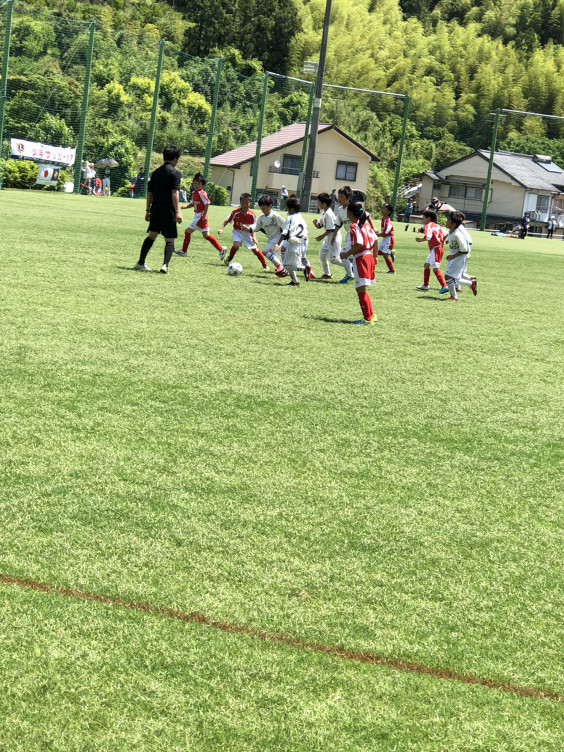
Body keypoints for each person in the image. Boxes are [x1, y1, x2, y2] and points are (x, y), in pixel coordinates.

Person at [134, 144, 182, 274]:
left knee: (152, 235)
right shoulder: (175, 173)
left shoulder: (155, 173)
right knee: (170, 239)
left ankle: (140, 262)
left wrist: (147, 211)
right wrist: (178, 211)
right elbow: (174, 193)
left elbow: (149, 193)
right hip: (168, 210)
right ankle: (165, 265)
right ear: (176, 158)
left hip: (155, 209)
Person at [340, 201, 377, 325]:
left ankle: (367, 319)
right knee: (363, 288)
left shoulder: (354, 226)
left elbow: (359, 243)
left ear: (349, 212)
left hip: (361, 258)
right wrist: (375, 257)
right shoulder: (366, 224)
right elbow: (375, 240)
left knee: (360, 288)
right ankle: (371, 315)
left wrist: (346, 254)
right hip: (369, 256)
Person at [175, 172, 225, 259]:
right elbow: (193, 204)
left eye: (199, 183)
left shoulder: (201, 193)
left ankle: (184, 251)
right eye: (195, 183)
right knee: (206, 235)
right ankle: (221, 249)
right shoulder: (194, 193)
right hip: (199, 216)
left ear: (202, 185)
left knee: (187, 231)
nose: (196, 185)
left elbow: (207, 203)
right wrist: (186, 207)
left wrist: (204, 215)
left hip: (200, 217)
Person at [218, 193, 269, 270]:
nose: (244, 205)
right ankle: (229, 258)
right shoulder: (235, 212)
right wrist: (221, 228)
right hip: (237, 231)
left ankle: (264, 264)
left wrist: (254, 237)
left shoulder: (252, 215)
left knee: (255, 250)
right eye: (242, 203)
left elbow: (254, 227)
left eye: (246, 203)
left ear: (250, 203)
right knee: (236, 245)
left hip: (247, 233)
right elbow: (227, 220)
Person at [244, 195, 288, 277]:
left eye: (264, 208)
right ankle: (283, 272)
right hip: (271, 238)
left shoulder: (275, 215)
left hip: (278, 237)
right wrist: (249, 228)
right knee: (273, 256)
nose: (262, 210)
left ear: (270, 206)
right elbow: (256, 226)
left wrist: (283, 238)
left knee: (264, 251)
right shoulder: (262, 217)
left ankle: (280, 266)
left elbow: (285, 225)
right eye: (261, 208)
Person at [273, 196, 310, 286]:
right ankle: (294, 281)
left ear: (292, 209)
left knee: (286, 265)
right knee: (287, 264)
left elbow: (285, 232)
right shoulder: (300, 217)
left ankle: (304, 269)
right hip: (302, 242)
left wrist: (278, 243)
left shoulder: (290, 218)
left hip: (294, 243)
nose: (287, 211)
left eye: (288, 209)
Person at [444, 210, 477, 300]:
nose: (446, 222)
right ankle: (469, 284)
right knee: (453, 277)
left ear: (454, 224)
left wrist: (452, 256)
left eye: (448, 221)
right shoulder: (451, 232)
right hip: (455, 257)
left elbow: (465, 250)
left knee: (449, 277)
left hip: (459, 257)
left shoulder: (457, 234)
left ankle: (455, 295)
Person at [414, 210, 448, 292]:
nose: (423, 220)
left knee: (435, 268)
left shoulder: (428, 226)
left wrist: (420, 240)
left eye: (424, 218)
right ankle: (425, 285)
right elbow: (446, 233)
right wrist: (442, 241)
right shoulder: (437, 226)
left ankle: (444, 286)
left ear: (428, 218)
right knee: (426, 265)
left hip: (436, 249)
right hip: (437, 248)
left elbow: (428, 237)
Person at [314, 192, 342, 279]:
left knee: (334, 259)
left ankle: (352, 267)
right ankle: (327, 274)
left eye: (319, 202)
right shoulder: (324, 213)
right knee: (322, 255)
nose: (317, 204)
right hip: (329, 237)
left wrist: (321, 236)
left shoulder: (328, 214)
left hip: (334, 237)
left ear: (324, 204)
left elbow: (331, 229)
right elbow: (320, 226)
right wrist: (316, 224)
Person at [377, 203, 396, 273]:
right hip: (385, 239)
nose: (382, 209)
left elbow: (385, 233)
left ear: (389, 212)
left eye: (385, 208)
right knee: (376, 252)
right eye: (382, 208)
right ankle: (390, 252)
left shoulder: (387, 220)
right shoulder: (383, 219)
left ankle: (392, 270)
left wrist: (376, 235)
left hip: (389, 239)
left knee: (385, 256)